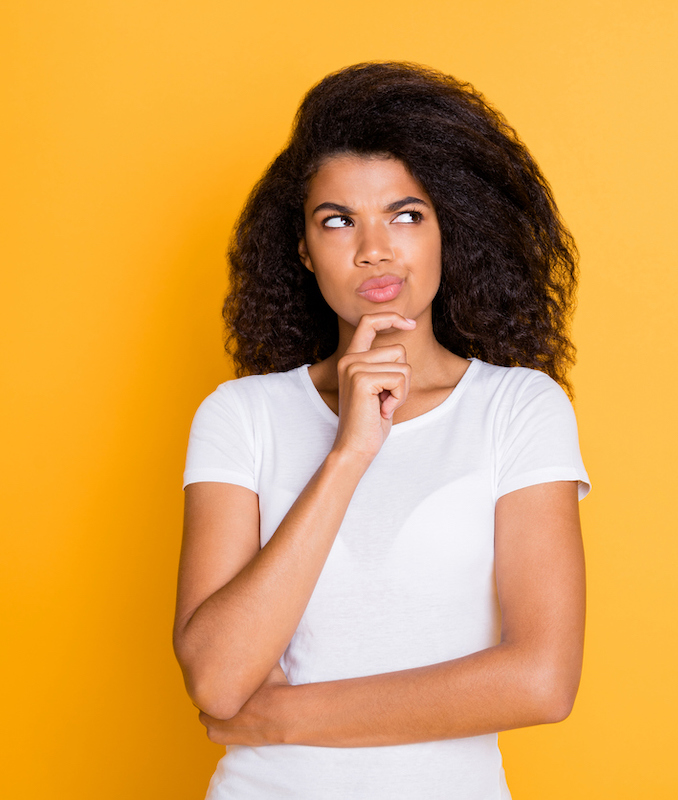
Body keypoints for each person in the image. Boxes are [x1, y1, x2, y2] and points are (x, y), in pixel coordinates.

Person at [173, 62, 589, 800]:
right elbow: (216, 674)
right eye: (337, 220)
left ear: (446, 231)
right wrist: (351, 452)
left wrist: (279, 717)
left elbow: (540, 680)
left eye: (406, 214)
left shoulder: (520, 408)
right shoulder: (241, 416)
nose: (375, 248)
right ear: (303, 251)